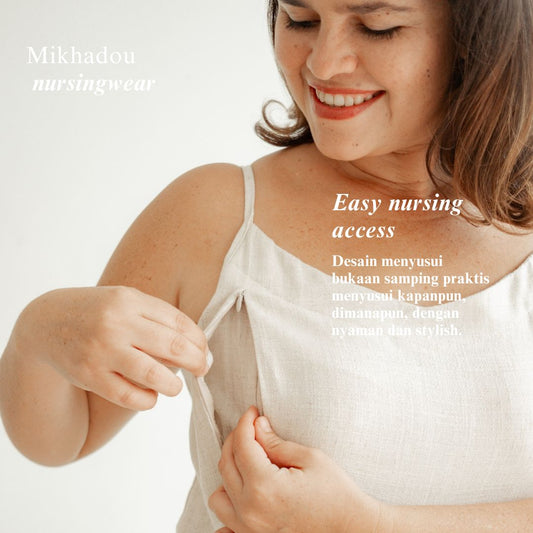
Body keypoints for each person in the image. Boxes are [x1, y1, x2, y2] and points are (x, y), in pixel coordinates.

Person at [1, 0, 532, 531]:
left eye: (378, 28)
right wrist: (36, 335)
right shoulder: (218, 214)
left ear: (480, 42)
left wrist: (369, 525)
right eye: (300, 19)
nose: (322, 63)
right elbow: (65, 438)